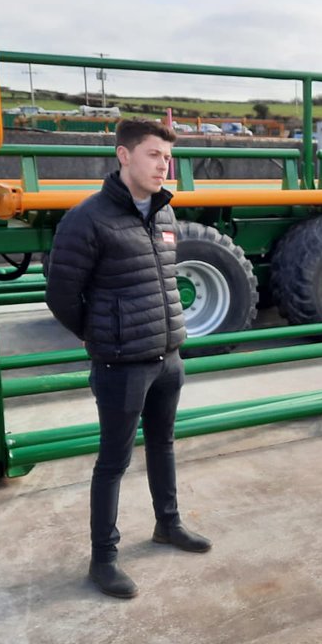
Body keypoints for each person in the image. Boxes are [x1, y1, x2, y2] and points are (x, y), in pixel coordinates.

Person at [45, 118, 210, 600]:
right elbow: (61, 295)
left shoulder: (163, 215)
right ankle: (104, 559)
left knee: (163, 445)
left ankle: (168, 524)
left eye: (167, 157)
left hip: (168, 357)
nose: (164, 165)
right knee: (113, 462)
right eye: (154, 154)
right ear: (124, 156)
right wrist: (103, 337)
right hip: (121, 363)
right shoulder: (87, 219)